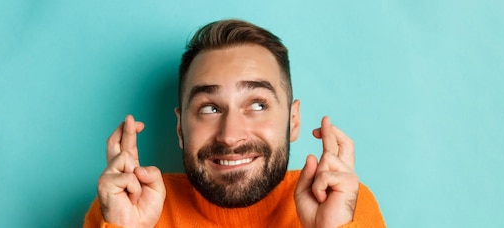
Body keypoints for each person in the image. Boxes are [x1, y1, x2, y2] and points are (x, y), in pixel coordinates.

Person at [84, 19, 385, 228]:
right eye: (210, 108)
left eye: (257, 104)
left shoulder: (347, 207)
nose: (230, 136)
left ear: (293, 121)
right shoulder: (122, 210)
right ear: (180, 129)